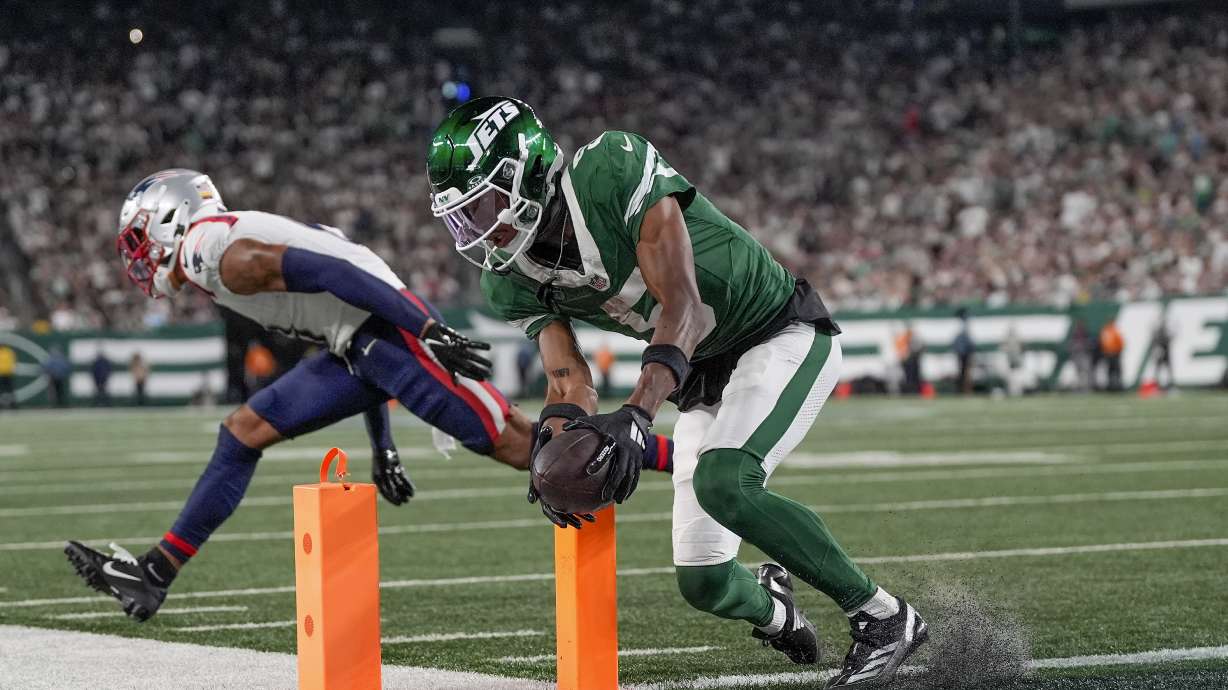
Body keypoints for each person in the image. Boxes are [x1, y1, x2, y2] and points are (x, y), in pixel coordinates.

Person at [427, 98, 926, 688]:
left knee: (724, 481)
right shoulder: (509, 277)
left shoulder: (610, 169)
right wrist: (554, 448)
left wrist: (638, 413)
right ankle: (773, 605)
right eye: (461, 216)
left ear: (527, 171)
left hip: (775, 331)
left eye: (483, 205)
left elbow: (683, 305)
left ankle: (884, 617)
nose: (478, 229)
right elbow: (567, 378)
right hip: (701, 374)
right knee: (703, 582)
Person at [64, 169, 676, 623]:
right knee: (243, 431)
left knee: (528, 450)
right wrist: (382, 445)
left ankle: (674, 454)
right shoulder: (217, 245)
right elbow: (341, 298)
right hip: (361, 346)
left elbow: (340, 274)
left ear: (168, 219)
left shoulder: (209, 250)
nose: (140, 258)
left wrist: (425, 326)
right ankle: (156, 571)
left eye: (141, 240)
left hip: (393, 337)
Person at [952, 308, 975, 394]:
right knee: (963, 371)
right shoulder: (961, 326)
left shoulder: (964, 326)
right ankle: (961, 389)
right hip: (962, 352)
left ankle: (965, 390)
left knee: (965, 372)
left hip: (964, 352)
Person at [1100, 320, 1124, 392]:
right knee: (1113, 371)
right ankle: (1112, 387)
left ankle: (1115, 386)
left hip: (1113, 354)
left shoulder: (1108, 331)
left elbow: (1120, 343)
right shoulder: (1111, 331)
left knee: (1114, 371)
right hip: (1111, 354)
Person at [0, 344, 16, 410]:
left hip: (7, 373)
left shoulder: (8, 352)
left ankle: (13, 405)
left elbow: (12, 361)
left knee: (10, 390)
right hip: (1, 374)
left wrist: (11, 369)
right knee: (1, 391)